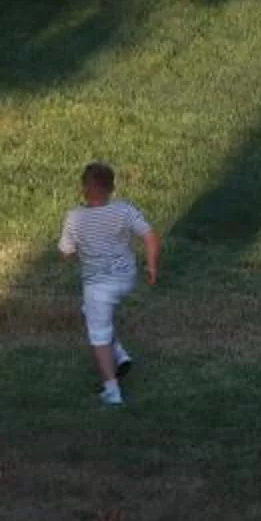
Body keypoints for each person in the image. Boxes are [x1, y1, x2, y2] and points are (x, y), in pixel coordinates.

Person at [57, 161, 158, 408]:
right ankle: (121, 356)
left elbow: (66, 253)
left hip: (98, 287)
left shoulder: (75, 217)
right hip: (126, 279)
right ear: (111, 188)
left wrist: (79, 247)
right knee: (88, 312)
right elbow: (150, 236)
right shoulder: (124, 210)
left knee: (98, 336)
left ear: (84, 189)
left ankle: (112, 393)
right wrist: (151, 266)